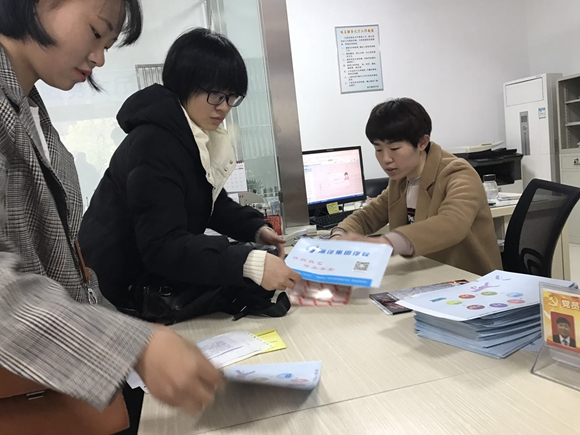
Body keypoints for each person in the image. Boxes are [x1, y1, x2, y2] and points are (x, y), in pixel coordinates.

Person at [0, 1, 223, 434]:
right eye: (96, 31)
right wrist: (134, 344)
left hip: (70, 388)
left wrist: (132, 342)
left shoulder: (28, 106)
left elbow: (70, 271)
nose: (100, 57)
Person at [78, 28, 301, 320]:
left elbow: (208, 202)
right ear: (185, 85)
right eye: (216, 96)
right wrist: (250, 263)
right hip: (117, 295)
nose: (224, 108)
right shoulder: (155, 142)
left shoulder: (188, 134)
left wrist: (256, 229)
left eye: (232, 97)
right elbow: (162, 246)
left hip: (147, 282)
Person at [330, 98, 502, 276]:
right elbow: (367, 216)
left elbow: (452, 223)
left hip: (471, 280)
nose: (386, 159)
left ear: (422, 142)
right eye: (378, 149)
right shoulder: (401, 179)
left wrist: (387, 243)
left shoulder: (457, 173)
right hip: (426, 275)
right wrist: (339, 235)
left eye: (394, 148)